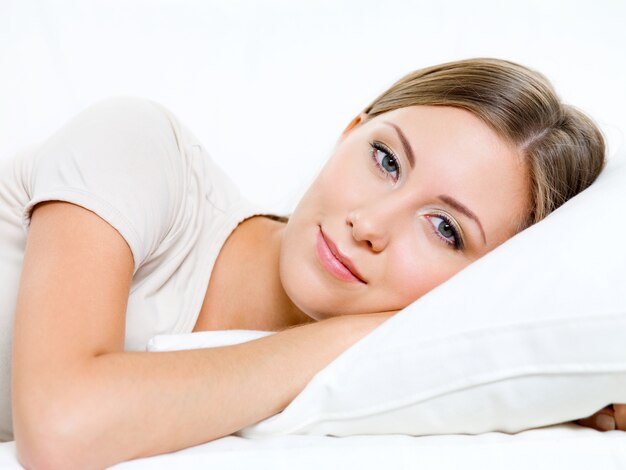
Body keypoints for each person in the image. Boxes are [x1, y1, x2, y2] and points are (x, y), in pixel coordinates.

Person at [0, 57, 621, 468]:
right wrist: (355, 336)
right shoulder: (139, 148)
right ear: (350, 129)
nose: (370, 225)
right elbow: (60, 428)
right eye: (385, 160)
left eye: (444, 229)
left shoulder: (371, 390)